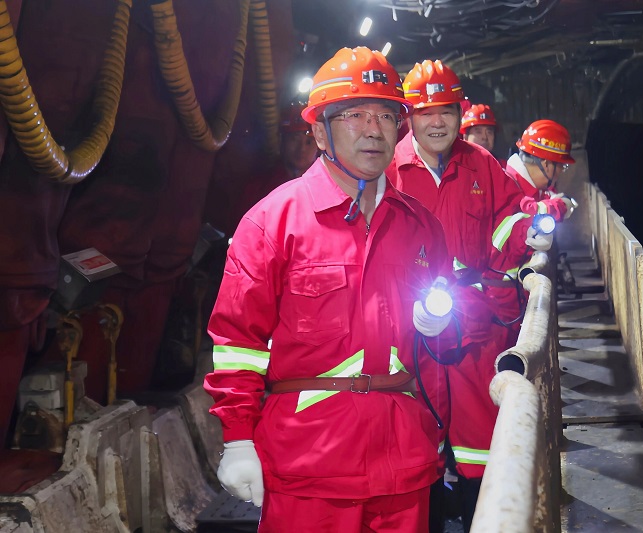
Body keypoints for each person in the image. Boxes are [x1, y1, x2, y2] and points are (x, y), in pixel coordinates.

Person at [204, 46, 459, 533]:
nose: (373, 129)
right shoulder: (272, 223)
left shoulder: (422, 228)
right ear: (320, 132)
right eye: (355, 115)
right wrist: (237, 439)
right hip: (309, 466)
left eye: (386, 115)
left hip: (403, 463)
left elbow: (440, 356)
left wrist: (441, 329)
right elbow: (238, 343)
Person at [386, 58, 550, 532]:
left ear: (460, 113)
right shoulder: (390, 170)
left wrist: (526, 233)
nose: (437, 122)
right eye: (425, 111)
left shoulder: (480, 164)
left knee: (482, 445)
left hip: (475, 330)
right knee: (419, 451)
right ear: (409, 116)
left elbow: (507, 219)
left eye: (446, 110)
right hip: (412, 334)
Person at [505, 119, 578, 222]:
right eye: (561, 165)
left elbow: (548, 197)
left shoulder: (535, 188)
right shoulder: (507, 187)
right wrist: (560, 206)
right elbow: (529, 212)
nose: (561, 171)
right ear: (546, 164)